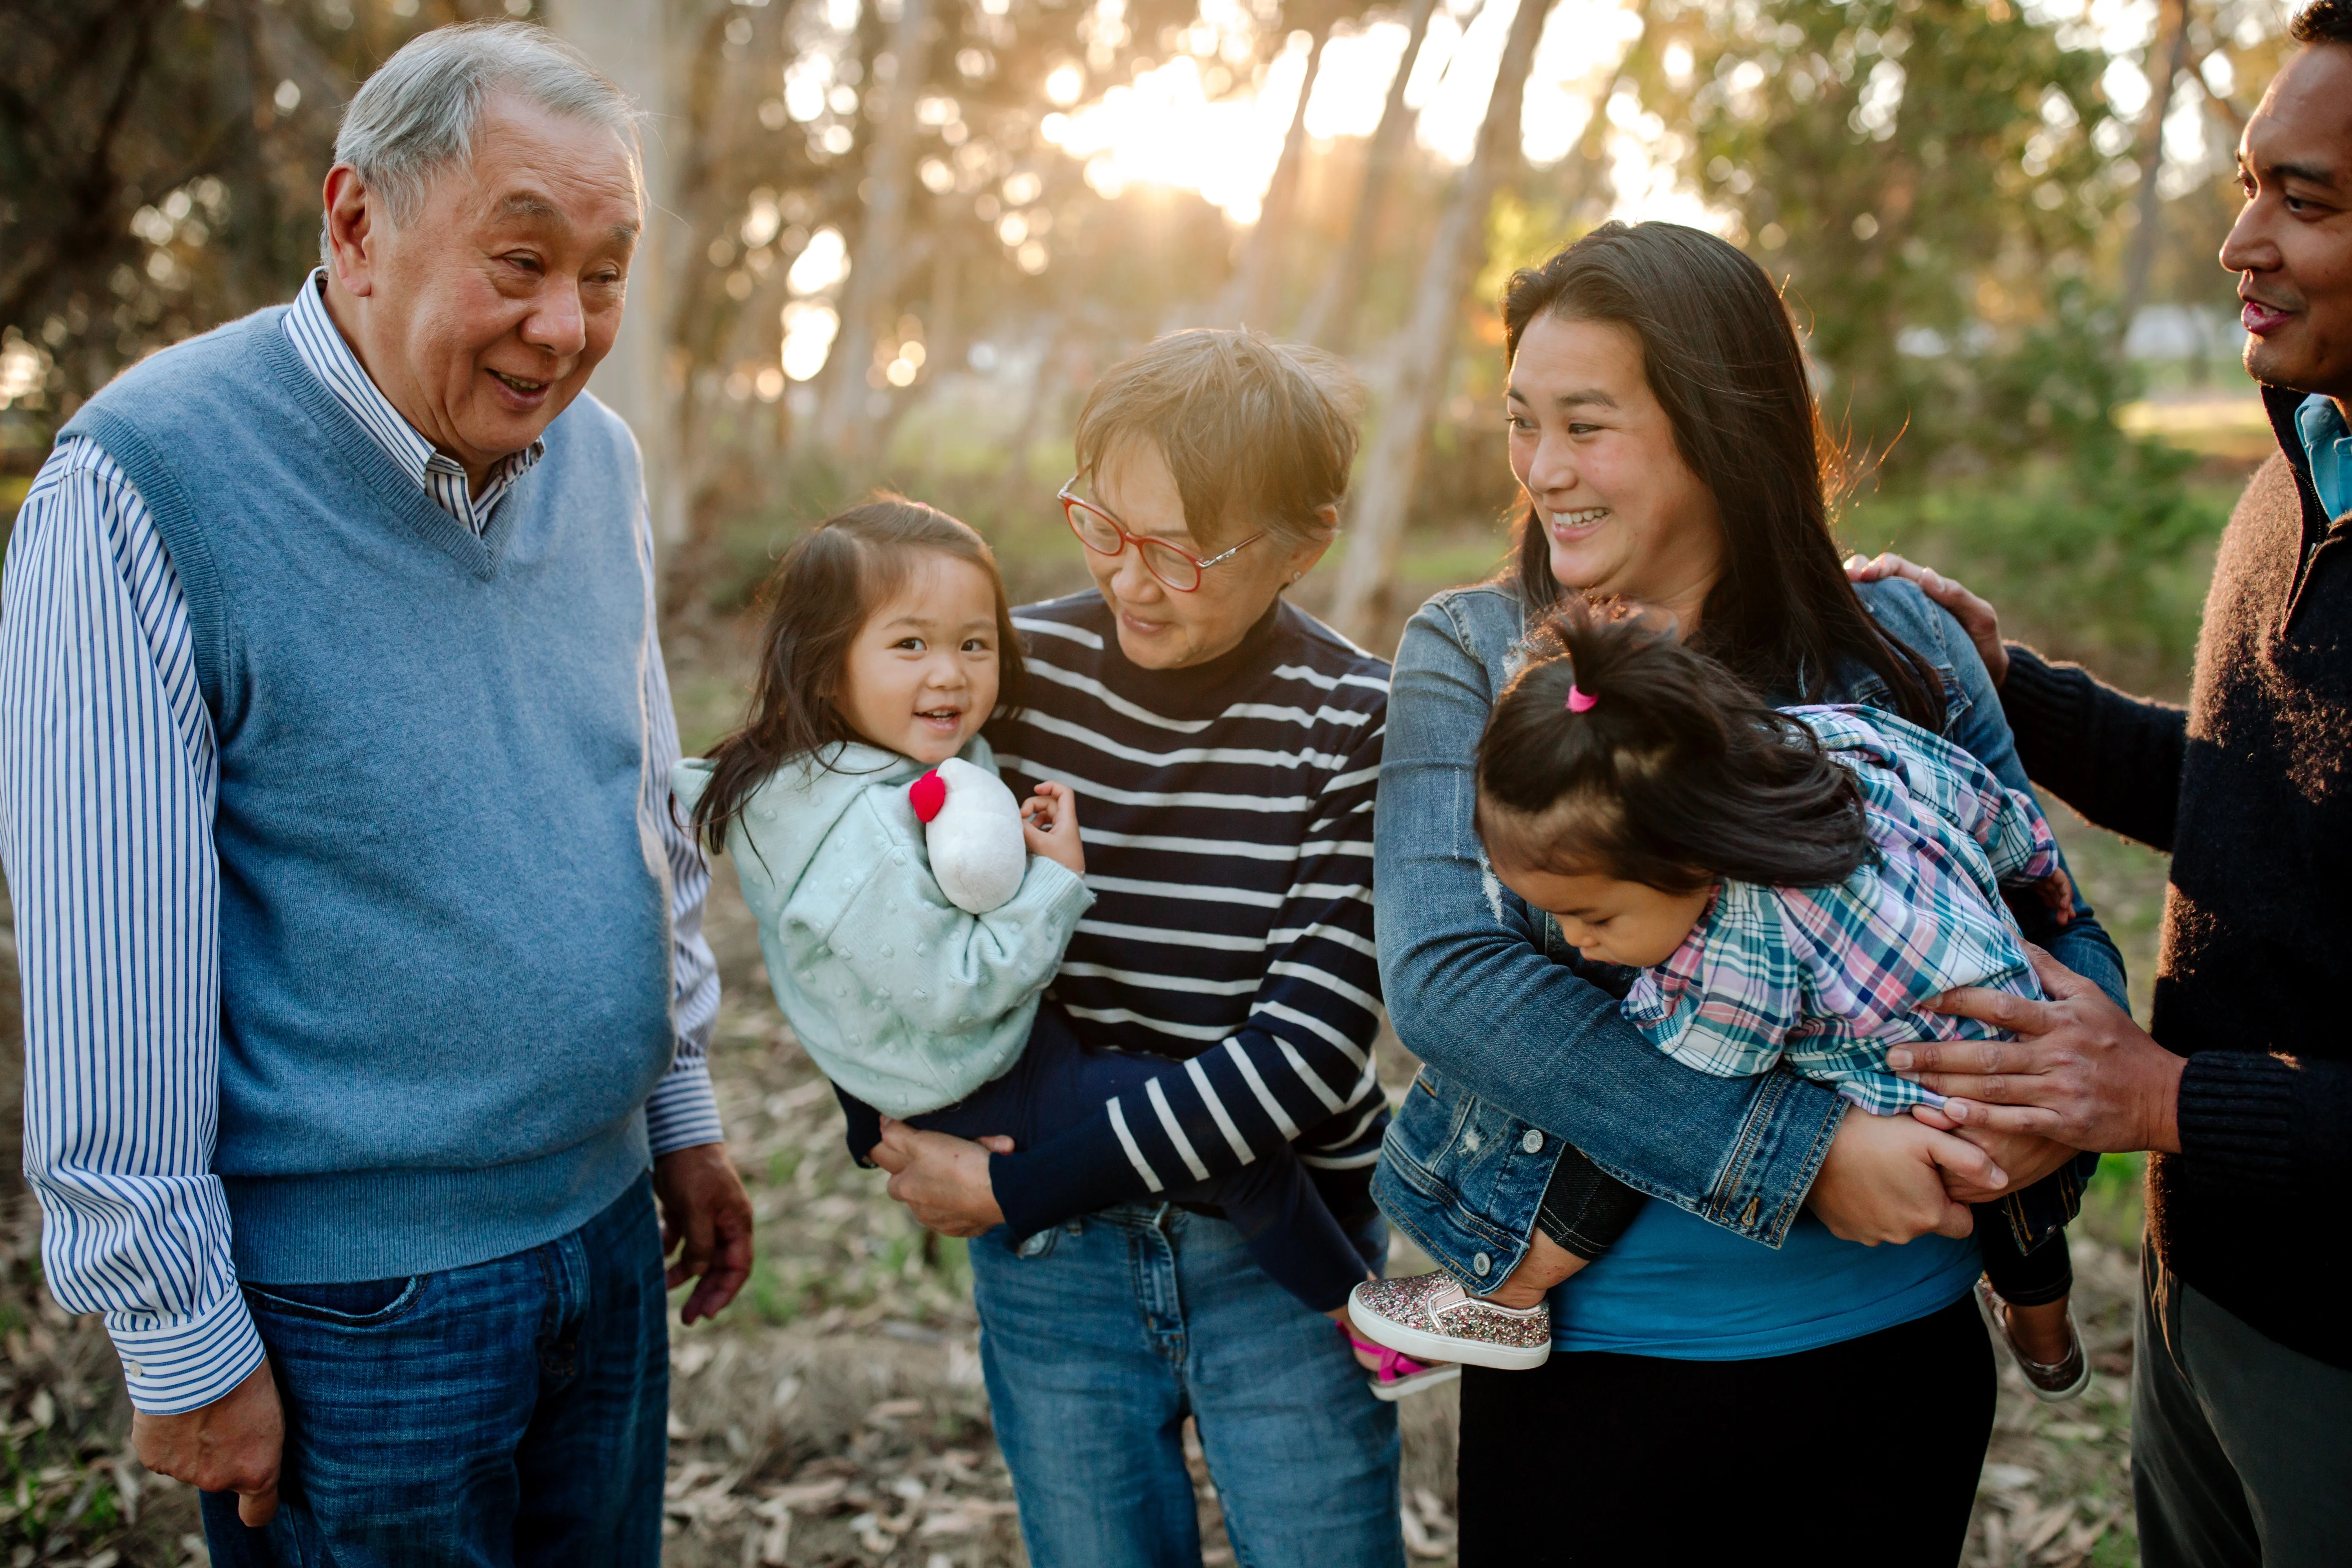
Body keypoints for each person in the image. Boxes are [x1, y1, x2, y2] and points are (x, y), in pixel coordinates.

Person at [0, 23, 751, 1564]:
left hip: (605, 1247)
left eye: (604, 274)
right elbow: (105, 955)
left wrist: (675, 1105)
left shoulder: (595, 459)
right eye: (520, 260)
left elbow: (634, 811)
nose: (565, 327)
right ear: (356, 223)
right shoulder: (142, 484)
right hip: (353, 1316)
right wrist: (181, 1340)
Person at [1371, 222, 2130, 1565]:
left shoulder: (1901, 652)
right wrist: (1806, 1155)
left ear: (1719, 428)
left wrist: (2045, 1108)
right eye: (1522, 424)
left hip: (1888, 1360)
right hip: (1605, 1373)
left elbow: (2053, 915)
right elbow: (1451, 981)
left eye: (1587, 426)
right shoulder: (1475, 648)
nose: (1545, 471)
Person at [1843, 8, 2352, 1561]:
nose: (2239, 239)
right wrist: (2014, 693)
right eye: (2250, 181)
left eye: (2308, 200)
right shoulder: (2307, 462)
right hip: (2208, 1293)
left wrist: (2166, 1097)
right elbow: (2257, 803)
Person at [856, 330, 1409, 1567]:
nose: (1129, 579)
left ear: (1306, 543)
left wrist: (1016, 1185)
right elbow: (882, 912)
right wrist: (889, 1115)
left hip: (1280, 1264)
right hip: (1058, 1273)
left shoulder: (1356, 721)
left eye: (1178, 552)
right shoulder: (1017, 675)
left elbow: (1309, 1057)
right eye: (1101, 527)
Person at [671, 499, 1384, 1346]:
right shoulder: (857, 829)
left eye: (975, 644)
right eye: (910, 645)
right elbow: (953, 988)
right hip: (974, 1071)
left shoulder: (864, 761)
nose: (950, 675)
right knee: (1243, 1158)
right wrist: (1054, 881)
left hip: (971, 1063)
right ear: (828, 667)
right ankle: (1368, 1323)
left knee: (1198, 1137)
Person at [1352, 607, 2091, 1402]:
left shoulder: (1743, 947)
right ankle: (2049, 1345)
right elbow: (1967, 789)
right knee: (2029, 1235)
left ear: (1694, 852)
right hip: (2011, 1033)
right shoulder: (1828, 741)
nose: (1574, 940)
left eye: (1593, 917)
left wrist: (1628, 1020)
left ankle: (1509, 1296)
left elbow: (1704, 1080)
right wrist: (2033, 863)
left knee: (1626, 1104)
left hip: (1929, 1094)